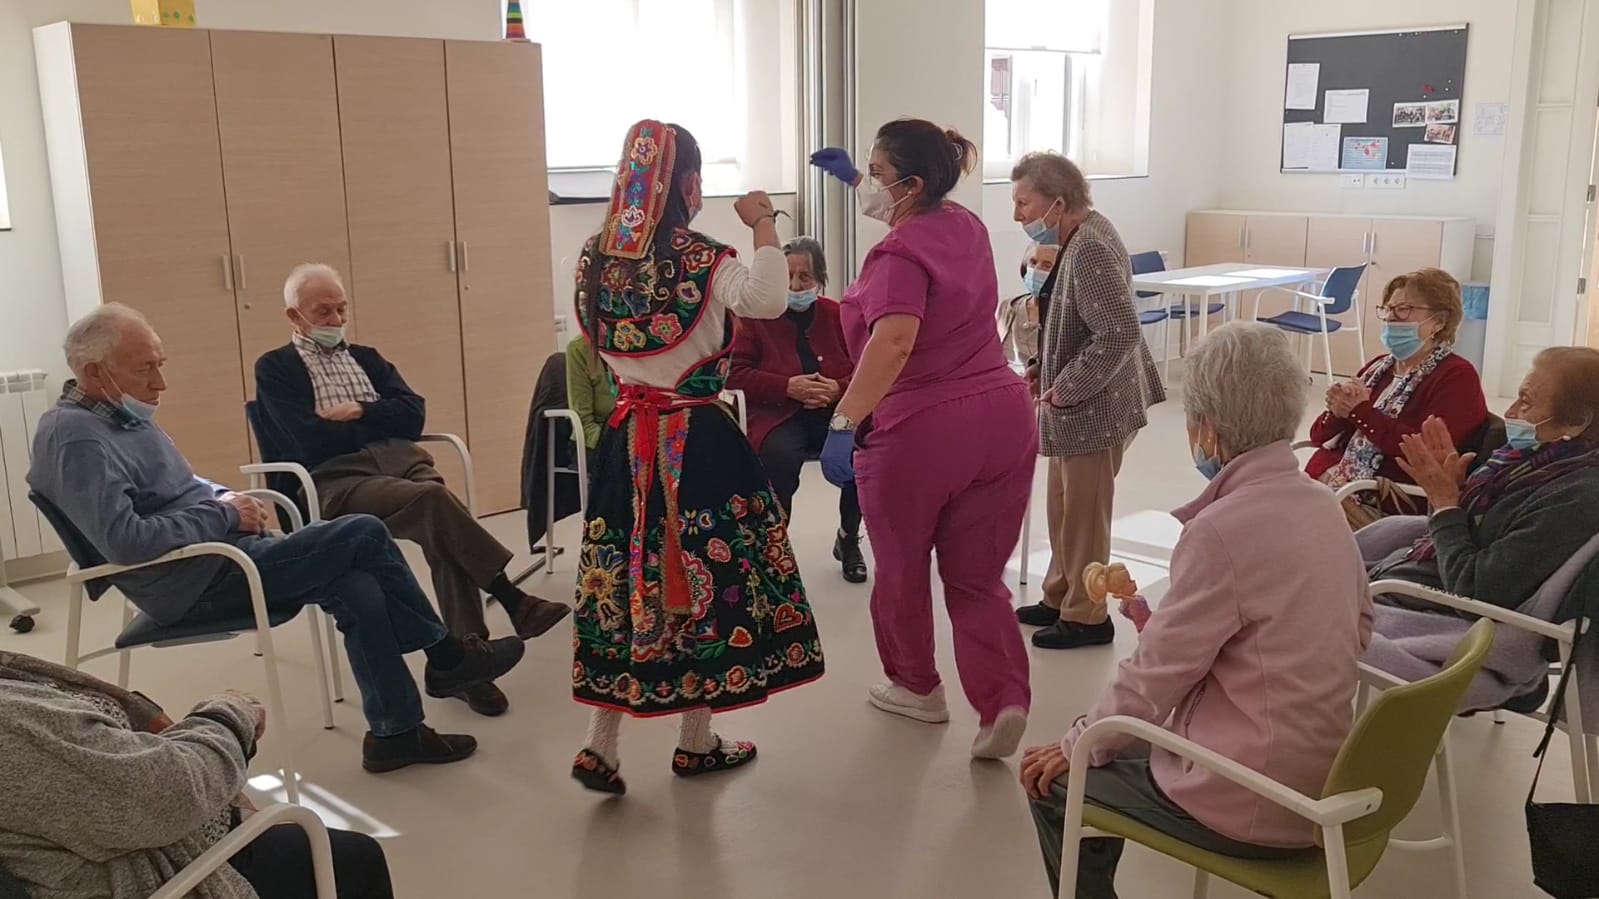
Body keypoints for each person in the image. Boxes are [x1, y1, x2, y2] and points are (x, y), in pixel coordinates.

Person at [29, 304, 526, 773]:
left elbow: (184, 486)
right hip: (192, 580)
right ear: (94, 373)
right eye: (144, 369)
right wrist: (222, 517)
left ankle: (396, 734)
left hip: (218, 554)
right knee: (364, 533)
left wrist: (230, 500)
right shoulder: (75, 437)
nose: (160, 382)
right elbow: (125, 542)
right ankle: (445, 656)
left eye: (161, 364)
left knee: (357, 584)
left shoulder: (121, 417)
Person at [1020, 322, 1373, 898]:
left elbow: (1154, 678)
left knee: (1060, 781)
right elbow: (1359, 629)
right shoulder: (1321, 505)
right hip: (1328, 776)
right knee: (1108, 745)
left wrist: (1075, 743)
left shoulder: (1221, 529)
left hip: (1255, 796)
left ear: (1207, 431)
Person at [568, 120, 825, 796]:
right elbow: (767, 298)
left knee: (627, 577)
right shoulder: (704, 258)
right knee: (703, 583)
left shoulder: (592, 257)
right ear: (689, 184)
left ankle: (602, 743)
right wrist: (765, 221)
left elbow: (598, 346)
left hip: (626, 439)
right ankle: (695, 740)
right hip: (696, 441)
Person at [809, 119, 1035, 759]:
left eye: (877, 175)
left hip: (925, 429)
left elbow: (895, 341)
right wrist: (858, 178)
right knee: (977, 576)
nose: (870, 187)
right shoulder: (965, 226)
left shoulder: (895, 258)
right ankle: (1003, 702)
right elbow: (912, 217)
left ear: (909, 184)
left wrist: (846, 421)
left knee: (904, 568)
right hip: (1002, 416)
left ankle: (917, 688)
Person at [254, 264, 569, 718]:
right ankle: (512, 598)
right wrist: (379, 419)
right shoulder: (276, 368)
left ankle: (468, 663)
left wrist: (359, 411)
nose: (335, 320)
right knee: (435, 504)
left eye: (341, 308)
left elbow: (414, 414)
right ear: (293, 316)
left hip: (405, 463)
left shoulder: (367, 358)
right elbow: (306, 439)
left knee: (444, 533)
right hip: (338, 480)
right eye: (322, 311)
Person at [0, 651, 392, 899]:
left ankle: (412, 709)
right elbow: (160, 796)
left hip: (122, 820)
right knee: (355, 859)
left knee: (361, 565)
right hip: (164, 867)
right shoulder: (12, 724)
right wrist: (227, 716)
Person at [1007, 151, 1166, 651]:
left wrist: (1068, 385)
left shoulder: (1091, 245)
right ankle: (1060, 595)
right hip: (1075, 403)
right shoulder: (1074, 237)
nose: (1017, 216)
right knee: (1063, 507)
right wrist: (1041, 369)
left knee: (1085, 515)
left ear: (1058, 201)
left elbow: (1118, 333)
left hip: (1096, 406)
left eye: (1023, 202)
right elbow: (1069, 322)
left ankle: (1088, 615)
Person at [1367, 346, 1599, 613]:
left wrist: (1445, 504)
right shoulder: (1524, 462)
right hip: (1402, 579)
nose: (1509, 413)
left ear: (1576, 423)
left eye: (1525, 401)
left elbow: (1473, 592)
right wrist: (1452, 492)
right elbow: (1452, 536)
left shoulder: (1576, 498)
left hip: (1435, 617)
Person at [727, 235, 866, 583]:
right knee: (778, 456)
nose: (795, 285)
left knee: (863, 452)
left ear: (819, 278)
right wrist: (787, 386)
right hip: (778, 413)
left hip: (834, 410)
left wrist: (837, 389)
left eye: (804, 277)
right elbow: (735, 374)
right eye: (788, 276)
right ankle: (775, 549)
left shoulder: (837, 313)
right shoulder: (753, 316)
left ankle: (849, 538)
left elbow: (865, 366)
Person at [1305, 268, 1488, 525]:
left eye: (1403, 309)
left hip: (1386, 499)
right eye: (1388, 309)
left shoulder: (1457, 376)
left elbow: (1420, 454)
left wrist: (1360, 411)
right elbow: (1318, 437)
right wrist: (1338, 410)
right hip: (1335, 486)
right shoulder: (1378, 368)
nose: (1391, 318)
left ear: (1439, 321)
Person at [565, 332, 617, 464]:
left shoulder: (641, 341)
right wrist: (616, 442)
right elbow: (584, 422)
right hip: (594, 439)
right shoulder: (579, 348)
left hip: (635, 433)